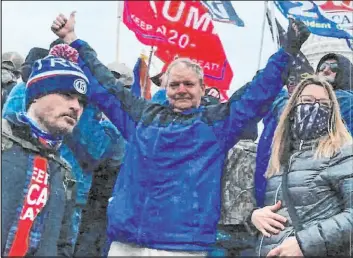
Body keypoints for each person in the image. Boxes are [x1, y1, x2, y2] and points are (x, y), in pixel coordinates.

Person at [51, 12, 309, 256]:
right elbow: (105, 85)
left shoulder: (217, 124)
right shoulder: (142, 118)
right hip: (126, 243)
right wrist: (73, 40)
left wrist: (286, 52)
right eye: (174, 84)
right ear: (165, 86)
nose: (181, 90)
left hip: (182, 246)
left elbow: (256, 93)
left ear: (202, 88)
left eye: (189, 84)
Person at [248, 75, 353, 256]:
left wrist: (304, 243)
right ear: (292, 108)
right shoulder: (280, 157)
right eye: (307, 101)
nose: (315, 107)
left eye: (324, 104)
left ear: (332, 113)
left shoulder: (343, 152)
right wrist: (254, 217)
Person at [1, 48, 89, 256]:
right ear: (36, 96)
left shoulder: (65, 174)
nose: (76, 106)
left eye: (82, 101)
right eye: (67, 95)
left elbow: (63, 246)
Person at [254, 52, 353, 208]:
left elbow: (283, 108)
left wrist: (272, 84)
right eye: (322, 66)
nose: (326, 70)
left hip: (316, 199)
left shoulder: (346, 101)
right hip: (283, 188)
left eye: (334, 67)